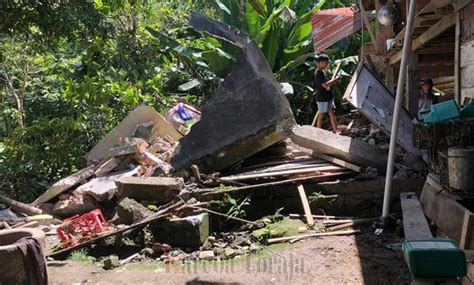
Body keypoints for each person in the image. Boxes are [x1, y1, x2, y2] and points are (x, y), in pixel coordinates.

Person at [314, 54, 341, 133]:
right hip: (322, 98)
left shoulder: (323, 72)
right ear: (321, 63)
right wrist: (335, 79)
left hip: (328, 96)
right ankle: (318, 131)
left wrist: (334, 81)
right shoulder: (318, 73)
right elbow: (325, 85)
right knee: (321, 114)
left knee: (332, 113)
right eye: (325, 63)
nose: (326, 64)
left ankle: (335, 130)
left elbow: (328, 83)